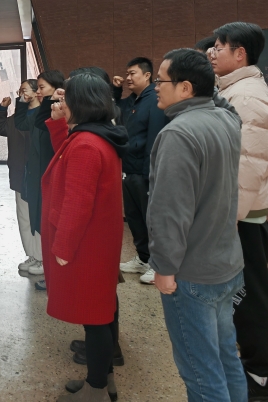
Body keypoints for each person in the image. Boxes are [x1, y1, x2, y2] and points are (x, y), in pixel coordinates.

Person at [148, 48, 246, 402]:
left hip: (192, 274)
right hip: (226, 264)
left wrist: (164, 267)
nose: (156, 86)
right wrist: (209, 82)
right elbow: (226, 106)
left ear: (185, 88)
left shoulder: (179, 133)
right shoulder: (226, 120)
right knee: (226, 357)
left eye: (161, 80)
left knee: (202, 374)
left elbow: (169, 211)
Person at [40, 74, 129, 401]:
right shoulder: (95, 135)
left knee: (95, 319)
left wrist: (63, 247)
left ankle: (96, 390)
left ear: (81, 103)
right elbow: (65, 158)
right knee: (100, 313)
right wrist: (57, 123)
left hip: (86, 245)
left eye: (67, 99)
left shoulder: (87, 144)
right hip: (97, 241)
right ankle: (104, 381)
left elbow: (78, 201)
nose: (61, 103)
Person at [209, 22, 268, 401]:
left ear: (240, 53)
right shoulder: (235, 89)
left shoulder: (246, 96)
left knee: (250, 293)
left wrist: (229, 218)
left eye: (219, 47)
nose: (212, 53)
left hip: (244, 213)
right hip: (240, 210)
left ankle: (259, 371)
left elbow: (248, 164)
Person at [112, 57, 167, 286]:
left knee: (150, 219)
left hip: (145, 172)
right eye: (127, 73)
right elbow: (116, 112)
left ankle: (157, 263)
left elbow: (154, 138)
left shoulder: (154, 99)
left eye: (132, 73)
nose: (128, 77)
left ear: (147, 75)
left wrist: (149, 173)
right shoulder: (132, 101)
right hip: (129, 169)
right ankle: (143, 258)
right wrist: (116, 91)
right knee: (134, 218)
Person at [14, 69, 65, 290]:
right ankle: (38, 258)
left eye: (42, 87)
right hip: (35, 172)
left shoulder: (61, 112)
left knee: (45, 220)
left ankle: (47, 262)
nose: (38, 92)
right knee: (34, 218)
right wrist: (22, 102)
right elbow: (23, 124)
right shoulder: (42, 113)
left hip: (48, 174)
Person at [0, 79, 43, 276]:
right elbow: (0, 127)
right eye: (20, 91)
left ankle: (42, 257)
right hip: (20, 173)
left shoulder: (44, 115)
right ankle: (32, 255)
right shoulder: (16, 118)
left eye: (25, 90)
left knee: (38, 217)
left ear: (37, 93)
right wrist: (2, 108)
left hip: (38, 174)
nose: (21, 94)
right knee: (24, 216)